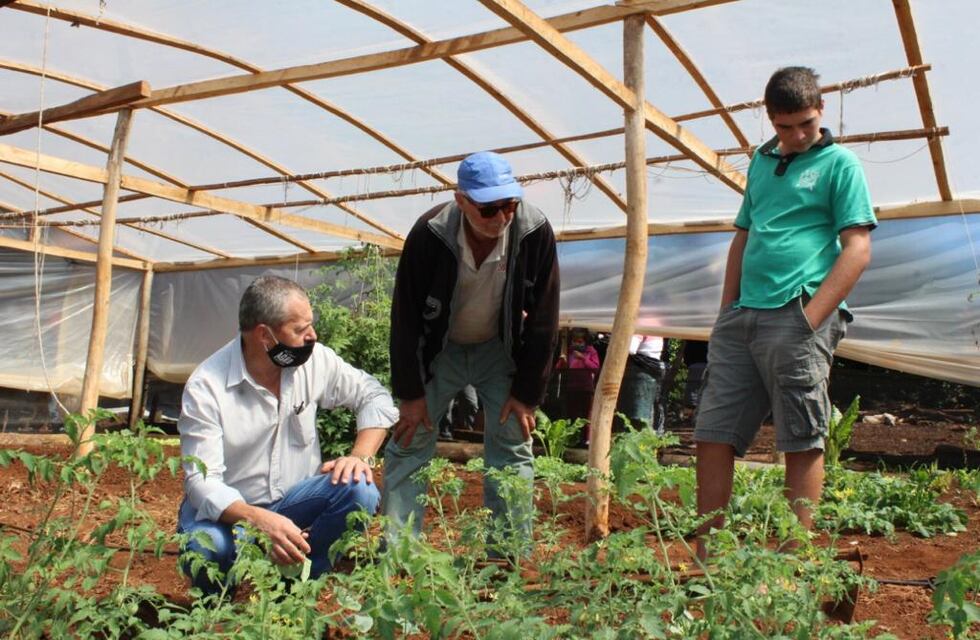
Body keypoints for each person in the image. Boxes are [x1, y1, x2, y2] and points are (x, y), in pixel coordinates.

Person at [693, 67, 875, 559]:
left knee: (801, 433)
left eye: (807, 124)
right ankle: (706, 552)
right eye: (785, 126)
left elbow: (856, 249)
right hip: (743, 317)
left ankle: (795, 558)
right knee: (713, 431)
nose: (797, 136)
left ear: (822, 112)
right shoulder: (760, 162)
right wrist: (726, 308)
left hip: (797, 311)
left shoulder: (840, 165)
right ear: (770, 119)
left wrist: (809, 319)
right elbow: (744, 236)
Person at [177, 275, 397, 595]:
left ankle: (297, 584)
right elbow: (202, 483)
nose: (313, 336)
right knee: (207, 548)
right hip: (232, 516)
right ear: (264, 335)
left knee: (360, 490)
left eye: (310, 325)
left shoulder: (315, 361)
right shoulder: (207, 387)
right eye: (299, 330)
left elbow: (374, 396)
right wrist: (259, 520)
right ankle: (212, 609)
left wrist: (360, 456)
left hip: (293, 505)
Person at [384, 150, 560, 543]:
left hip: (499, 350)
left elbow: (546, 318)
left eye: (509, 205)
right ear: (461, 200)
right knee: (409, 441)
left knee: (513, 444)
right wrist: (411, 394)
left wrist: (527, 394)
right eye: (489, 209)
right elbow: (406, 316)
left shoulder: (533, 231)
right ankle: (399, 553)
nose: (501, 218)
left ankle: (508, 554)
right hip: (439, 352)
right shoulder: (430, 233)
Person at [615, 334, 666, 433]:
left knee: (635, 413)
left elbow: (631, 349)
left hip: (640, 374)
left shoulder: (642, 327)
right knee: (646, 412)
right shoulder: (658, 330)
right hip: (650, 371)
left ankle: (635, 439)